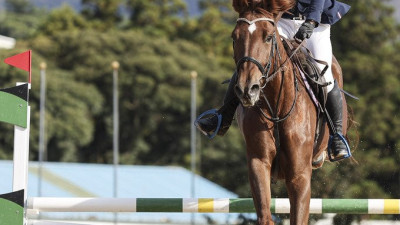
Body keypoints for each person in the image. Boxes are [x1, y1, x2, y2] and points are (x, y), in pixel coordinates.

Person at [195, 0, 351, 160]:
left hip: (316, 21)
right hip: (281, 20)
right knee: (253, 60)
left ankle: (336, 136)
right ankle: (223, 117)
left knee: (325, 75)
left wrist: (311, 21)